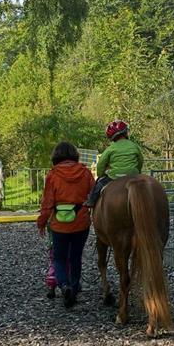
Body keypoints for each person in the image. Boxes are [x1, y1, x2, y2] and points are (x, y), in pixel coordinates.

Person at [36, 141, 95, 307]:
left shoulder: (53, 175)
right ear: (74, 155)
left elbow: (47, 203)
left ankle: (64, 285)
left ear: (56, 156)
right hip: (81, 223)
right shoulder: (85, 172)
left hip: (59, 225)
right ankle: (74, 288)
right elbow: (92, 196)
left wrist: (41, 223)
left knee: (59, 258)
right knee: (76, 258)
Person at [84, 120, 144, 207]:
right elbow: (140, 161)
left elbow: (101, 164)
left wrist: (101, 174)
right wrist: (137, 171)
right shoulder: (134, 146)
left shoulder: (110, 148)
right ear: (125, 133)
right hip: (133, 175)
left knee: (99, 184)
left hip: (115, 176)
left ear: (112, 137)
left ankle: (91, 201)